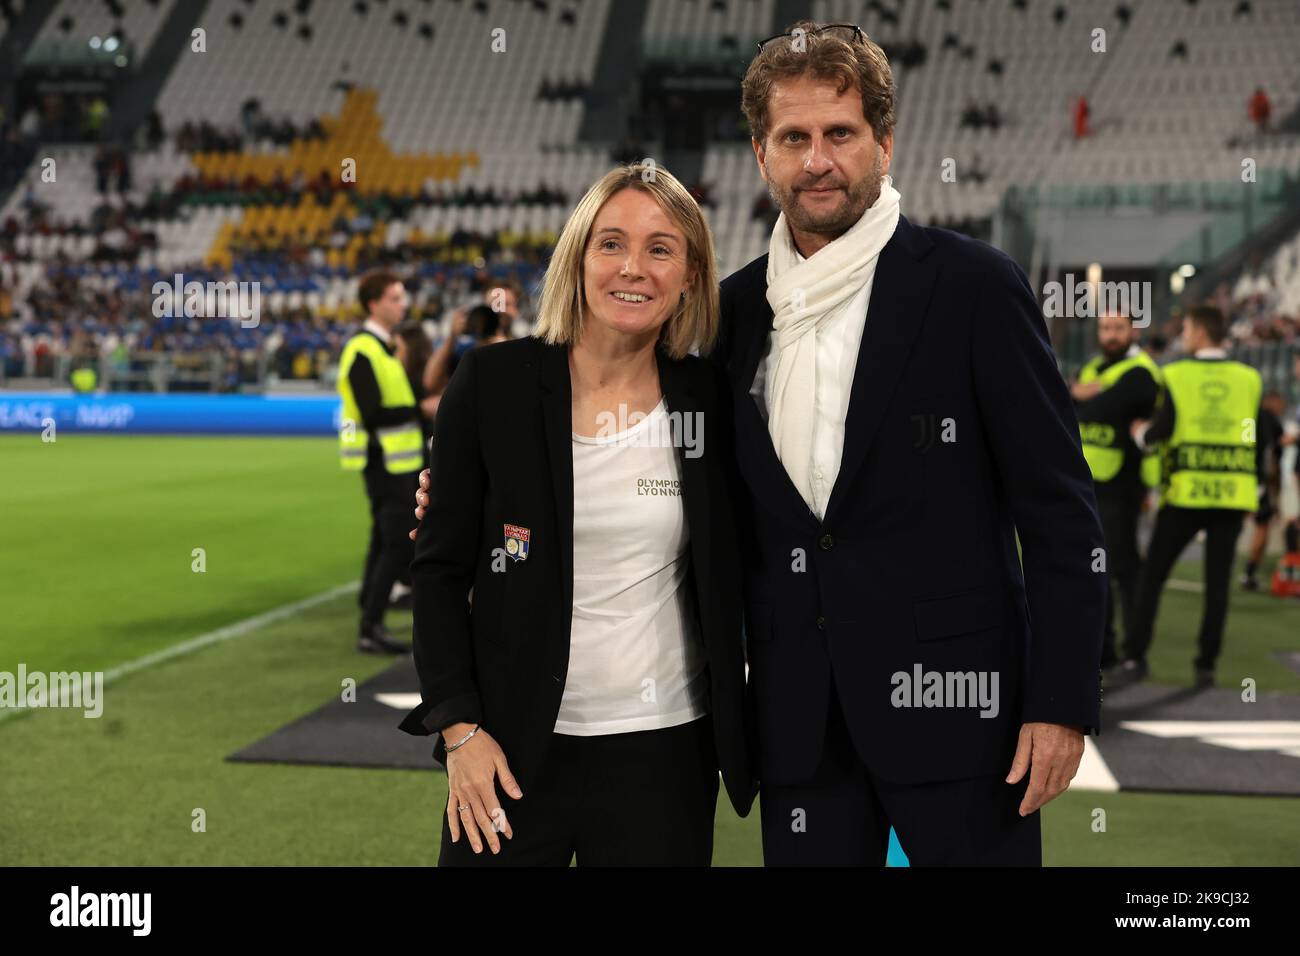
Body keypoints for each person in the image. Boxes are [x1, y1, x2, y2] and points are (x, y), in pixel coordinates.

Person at [722, 20, 1103, 866]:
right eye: (794, 138)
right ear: (761, 154)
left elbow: (1059, 510)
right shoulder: (734, 312)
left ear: (886, 143)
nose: (817, 159)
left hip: (965, 720)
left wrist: (1063, 699)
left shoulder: (974, 285)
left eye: (840, 134)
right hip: (799, 729)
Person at [399, 164, 756, 865]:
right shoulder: (493, 384)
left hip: (666, 754)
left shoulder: (710, 397)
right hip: (509, 748)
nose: (634, 267)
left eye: (661, 248)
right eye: (611, 243)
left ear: (690, 274)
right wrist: (460, 731)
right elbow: (437, 573)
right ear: (579, 257)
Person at [1113, 305, 1263, 690]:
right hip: (1231, 494)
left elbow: (1163, 429)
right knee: (1217, 585)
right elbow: (1251, 433)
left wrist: (1139, 434)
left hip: (1185, 495)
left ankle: (1136, 654)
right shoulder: (1249, 378)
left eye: (1188, 330)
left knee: (1152, 577)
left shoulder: (1176, 374)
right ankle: (1206, 666)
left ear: (1198, 332)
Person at [1070, 313, 1162, 673]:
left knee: (1124, 570)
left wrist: (1082, 394)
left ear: (1133, 331)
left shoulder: (1141, 371)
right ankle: (1104, 649)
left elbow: (1096, 408)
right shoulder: (1094, 365)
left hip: (1122, 485)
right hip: (1087, 481)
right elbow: (1063, 401)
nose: (1110, 335)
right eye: (1105, 329)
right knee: (1093, 569)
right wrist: (1076, 393)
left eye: (1118, 329)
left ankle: (1134, 652)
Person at [338, 270, 423, 654]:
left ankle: (368, 614)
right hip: (383, 459)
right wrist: (417, 410)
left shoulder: (383, 346)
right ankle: (370, 625)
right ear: (373, 303)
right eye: (394, 298)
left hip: (396, 459)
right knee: (396, 543)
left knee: (382, 540)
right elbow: (373, 411)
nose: (402, 304)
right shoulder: (363, 349)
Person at [1240, 390, 1286, 591]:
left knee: (1261, 525)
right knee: (1261, 525)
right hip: (1258, 482)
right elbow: (1270, 452)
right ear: (1272, 401)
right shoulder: (1265, 419)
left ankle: (1250, 572)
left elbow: (1245, 444)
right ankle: (1249, 572)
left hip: (1248, 479)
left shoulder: (1248, 419)